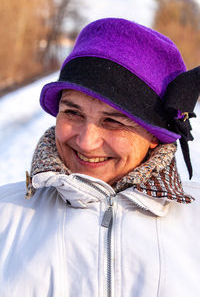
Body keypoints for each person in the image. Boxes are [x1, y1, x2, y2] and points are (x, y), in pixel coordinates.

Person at [0, 17, 200, 297]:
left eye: (113, 122)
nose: (86, 141)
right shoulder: (5, 216)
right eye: (72, 113)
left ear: (155, 137)